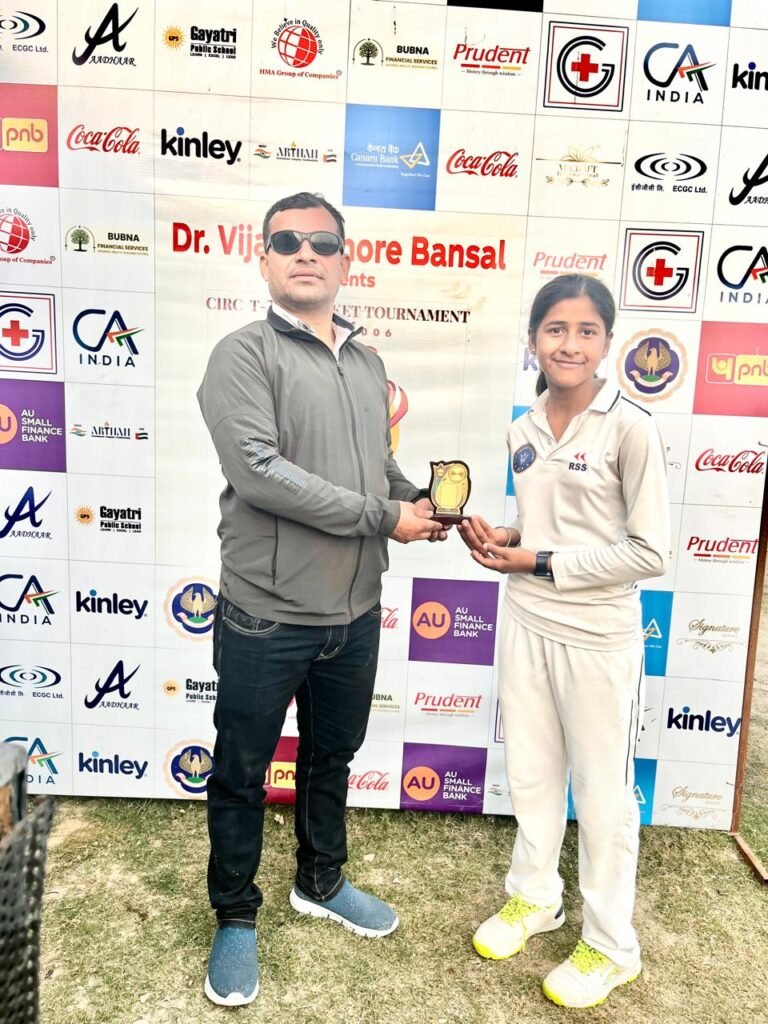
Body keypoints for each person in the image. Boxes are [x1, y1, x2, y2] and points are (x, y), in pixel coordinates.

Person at [197, 191, 442, 1006]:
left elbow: (377, 469)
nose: (306, 253)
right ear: (263, 258)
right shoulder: (242, 354)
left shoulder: (366, 363)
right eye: (288, 241)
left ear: (345, 259)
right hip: (265, 613)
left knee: (331, 757)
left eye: (323, 242)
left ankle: (321, 880)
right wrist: (383, 516)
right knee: (241, 769)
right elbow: (261, 474)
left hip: (355, 610)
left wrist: (422, 503)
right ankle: (236, 913)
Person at [458, 274, 670, 1009]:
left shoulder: (630, 427)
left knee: (603, 796)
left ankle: (611, 946)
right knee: (533, 775)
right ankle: (536, 897)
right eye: (555, 329)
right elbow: (547, 526)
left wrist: (539, 560)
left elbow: (649, 552)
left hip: (597, 634)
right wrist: (510, 536)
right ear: (533, 341)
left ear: (607, 344)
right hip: (526, 620)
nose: (569, 344)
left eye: (586, 331)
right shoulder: (523, 428)